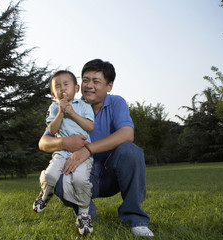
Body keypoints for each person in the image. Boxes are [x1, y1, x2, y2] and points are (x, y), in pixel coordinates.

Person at [38, 59, 154, 237]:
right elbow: (43, 142)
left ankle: (136, 219)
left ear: (109, 86)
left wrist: (88, 149)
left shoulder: (116, 103)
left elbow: (127, 134)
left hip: (110, 172)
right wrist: (64, 143)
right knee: (57, 170)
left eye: (96, 81)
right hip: (80, 170)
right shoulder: (68, 105)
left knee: (131, 151)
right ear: (79, 84)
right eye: (85, 80)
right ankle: (84, 212)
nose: (89, 86)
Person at [32, 70, 95, 235]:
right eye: (57, 87)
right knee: (50, 176)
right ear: (53, 93)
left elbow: (90, 127)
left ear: (76, 88)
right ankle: (45, 193)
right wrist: (61, 111)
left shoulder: (84, 106)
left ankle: (83, 214)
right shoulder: (53, 107)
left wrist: (72, 112)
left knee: (80, 180)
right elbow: (51, 130)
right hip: (61, 152)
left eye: (66, 84)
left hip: (82, 153)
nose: (62, 89)